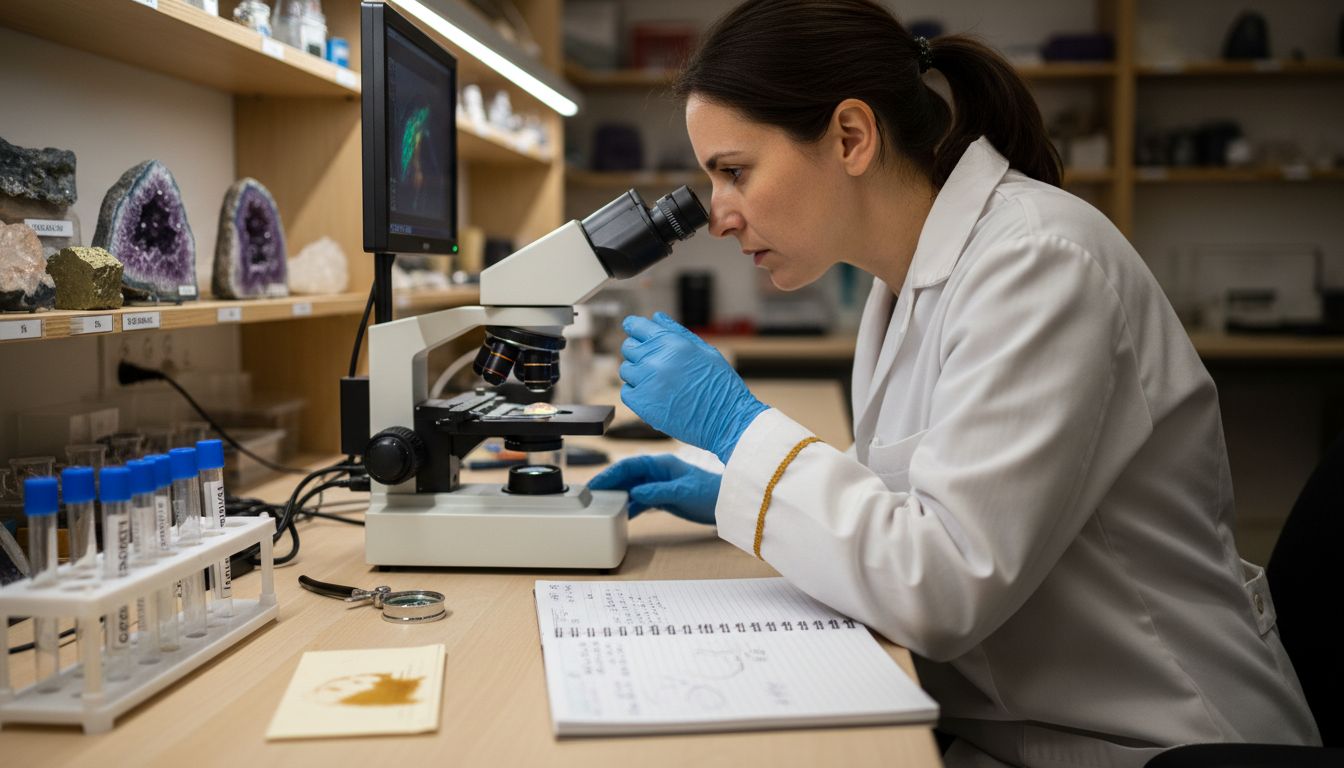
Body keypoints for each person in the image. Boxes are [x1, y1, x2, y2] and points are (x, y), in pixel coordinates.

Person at [587, 1, 1320, 766]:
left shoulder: (1040, 264)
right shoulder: (907, 278)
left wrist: (740, 432)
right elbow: (923, 492)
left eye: (734, 171)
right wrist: (733, 485)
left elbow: (940, 587)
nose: (719, 215)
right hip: (1016, 721)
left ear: (850, 137)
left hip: (1149, 739)